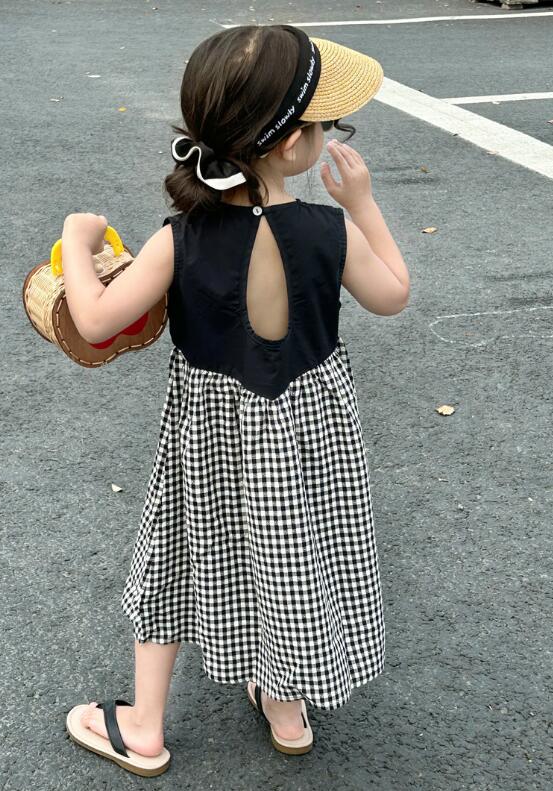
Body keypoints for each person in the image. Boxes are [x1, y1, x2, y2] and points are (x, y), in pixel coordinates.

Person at [63, 24, 410, 777]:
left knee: (175, 559)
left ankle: (144, 727)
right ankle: (285, 704)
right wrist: (362, 203)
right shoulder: (330, 230)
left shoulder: (180, 238)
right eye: (324, 123)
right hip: (308, 442)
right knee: (292, 554)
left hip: (210, 440)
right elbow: (393, 293)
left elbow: (93, 322)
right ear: (291, 145)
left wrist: (77, 235)